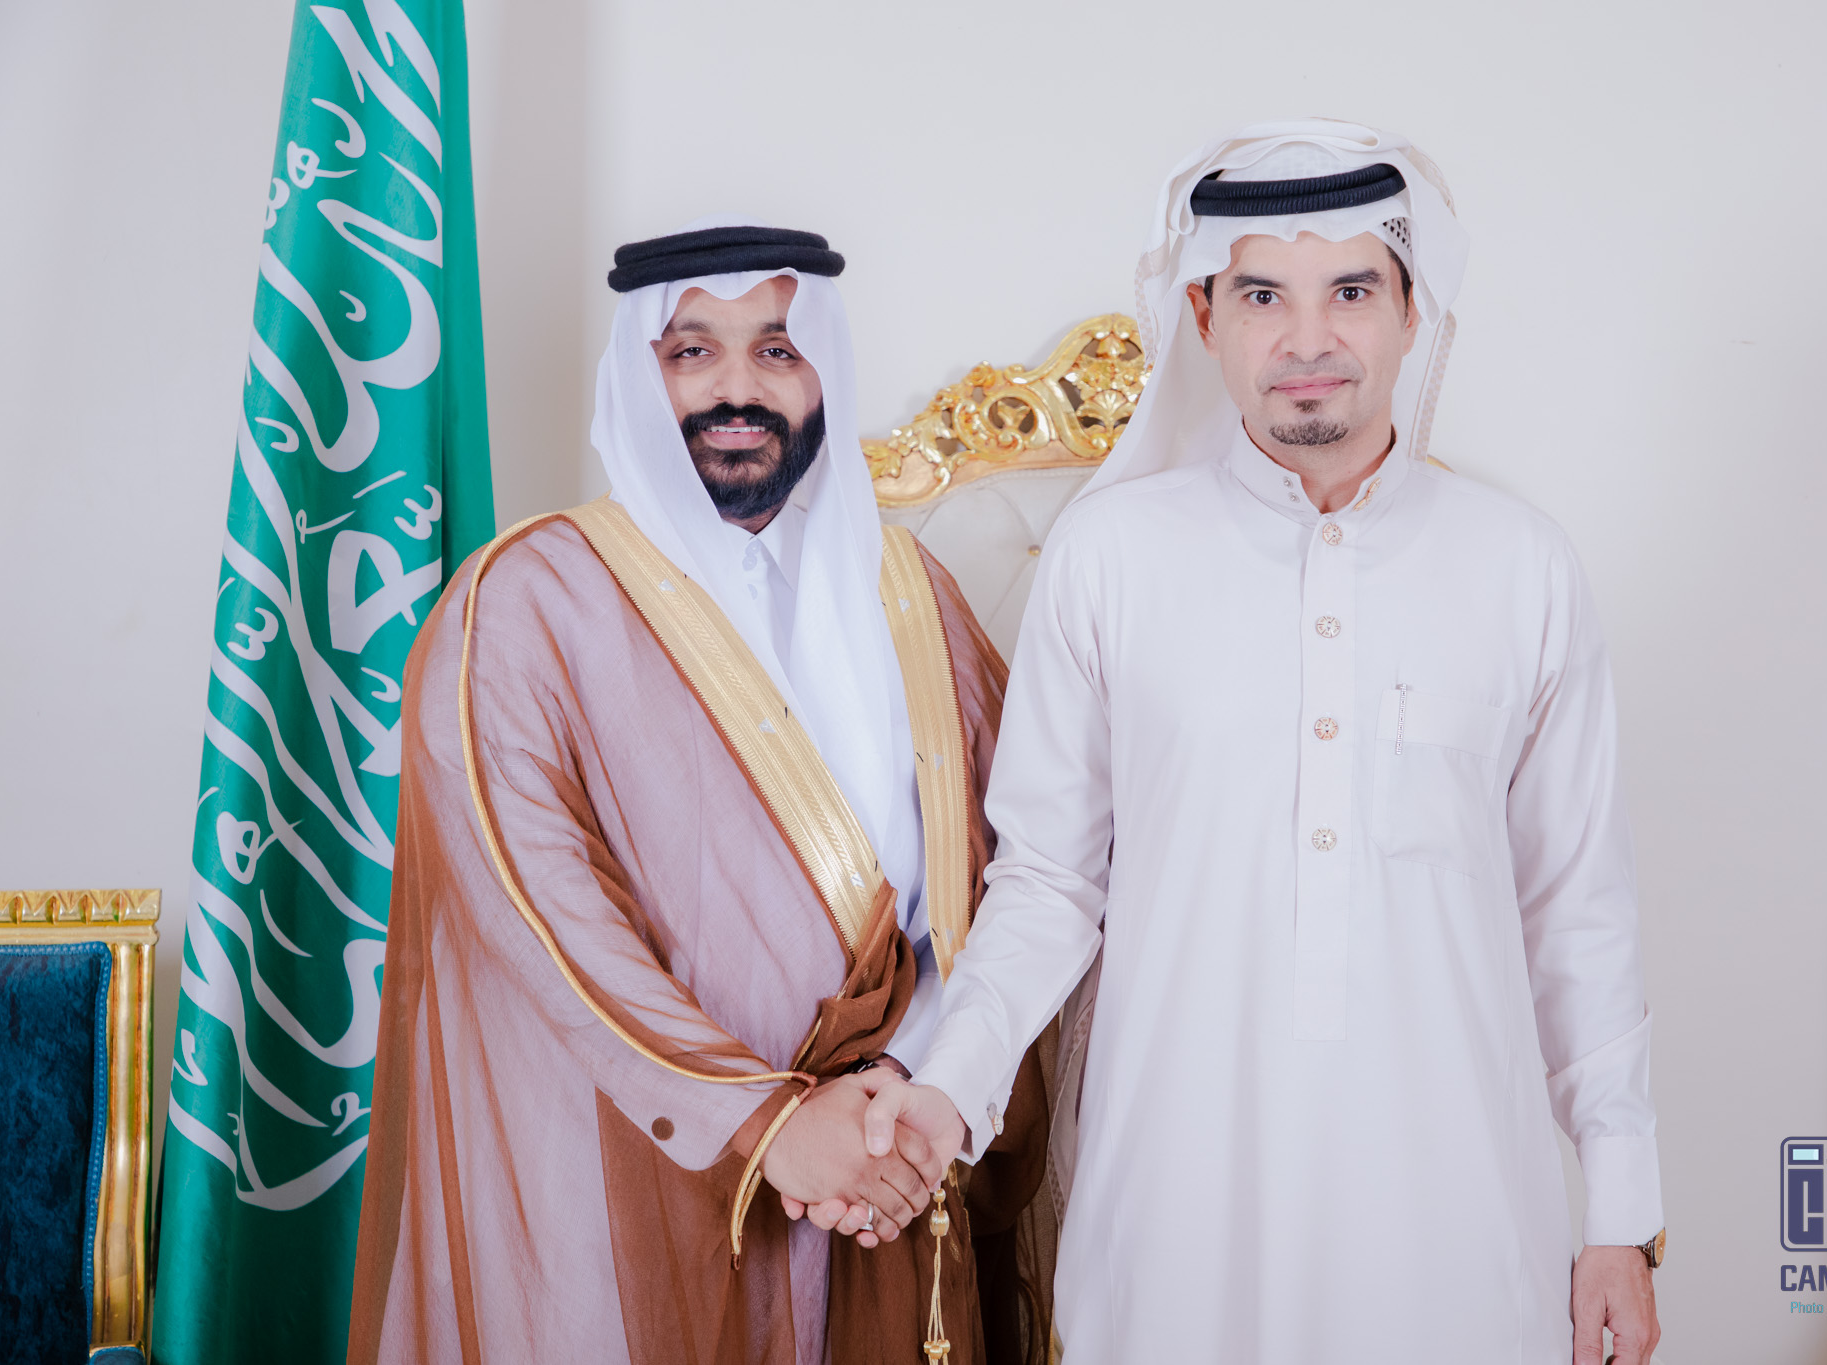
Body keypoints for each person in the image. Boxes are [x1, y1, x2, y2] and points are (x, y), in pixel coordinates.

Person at [866, 121, 1666, 1362]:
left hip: (1455, 1211)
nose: (1305, 341)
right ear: (1202, 315)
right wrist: (943, 1092)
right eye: (1260, 296)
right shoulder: (1111, 560)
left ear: (1410, 309)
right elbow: (1048, 884)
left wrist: (1618, 1215)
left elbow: (1574, 910)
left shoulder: (1520, 569)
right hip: (1179, 1204)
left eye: (1349, 290)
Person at [347, 221, 1049, 1365]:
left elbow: (1007, 876)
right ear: (639, 373)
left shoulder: (911, 594)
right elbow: (541, 921)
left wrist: (901, 1091)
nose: (736, 390)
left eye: (775, 349)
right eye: (691, 352)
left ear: (821, 370)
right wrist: (765, 1124)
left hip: (884, 1164)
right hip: (621, 1174)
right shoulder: (522, 603)